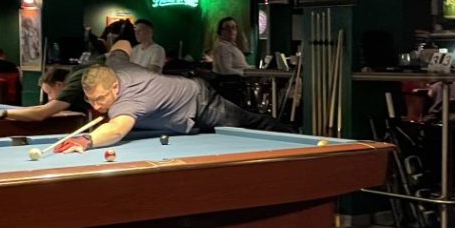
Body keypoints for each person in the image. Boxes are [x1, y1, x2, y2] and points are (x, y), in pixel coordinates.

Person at [56, 60, 290, 152]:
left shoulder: (128, 101)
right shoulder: (116, 67)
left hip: (198, 100)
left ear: (115, 87)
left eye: (100, 98)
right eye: (90, 100)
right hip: (179, 108)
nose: (96, 105)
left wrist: (88, 140)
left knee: (250, 123)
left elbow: (116, 130)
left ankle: (295, 139)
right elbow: (121, 49)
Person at [0, 23, 134, 124]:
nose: (49, 98)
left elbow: (42, 113)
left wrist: (5, 113)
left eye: (49, 92)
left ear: (59, 84)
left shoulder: (74, 82)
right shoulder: (78, 73)